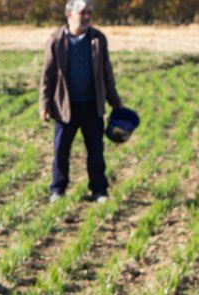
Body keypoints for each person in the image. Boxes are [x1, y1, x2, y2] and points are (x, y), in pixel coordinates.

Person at [39, 0, 123, 204]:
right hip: (65, 107)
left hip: (92, 106)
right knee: (61, 151)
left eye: (89, 13)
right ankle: (57, 189)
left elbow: (106, 73)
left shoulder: (98, 39)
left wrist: (115, 103)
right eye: (82, 12)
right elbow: (47, 76)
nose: (87, 16)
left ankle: (99, 190)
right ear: (69, 14)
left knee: (96, 152)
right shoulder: (56, 40)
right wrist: (45, 105)